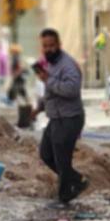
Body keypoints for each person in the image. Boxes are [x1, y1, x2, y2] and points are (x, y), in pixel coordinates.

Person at [34, 27, 87, 204]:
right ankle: (76, 180)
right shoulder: (49, 64)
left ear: (59, 45)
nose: (48, 49)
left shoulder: (68, 64)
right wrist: (40, 107)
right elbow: (51, 91)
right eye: (45, 46)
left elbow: (71, 90)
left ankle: (64, 197)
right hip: (56, 118)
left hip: (69, 118)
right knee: (46, 153)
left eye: (51, 45)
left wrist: (48, 80)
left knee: (62, 158)